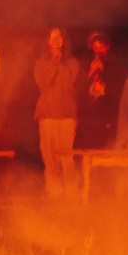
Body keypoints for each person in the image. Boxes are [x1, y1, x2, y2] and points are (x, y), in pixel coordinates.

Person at [32, 28, 82, 197]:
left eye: (59, 36)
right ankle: (54, 191)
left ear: (63, 41)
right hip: (47, 114)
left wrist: (61, 64)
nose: (55, 40)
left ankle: (71, 190)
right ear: (47, 41)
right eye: (52, 37)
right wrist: (53, 63)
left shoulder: (72, 63)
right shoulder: (41, 63)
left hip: (67, 114)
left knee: (66, 155)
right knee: (49, 156)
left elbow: (70, 85)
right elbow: (44, 85)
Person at [77, 32, 118, 151]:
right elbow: (79, 89)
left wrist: (103, 71)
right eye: (96, 47)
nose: (98, 50)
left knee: (104, 148)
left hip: (105, 116)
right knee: (87, 148)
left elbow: (116, 90)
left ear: (107, 47)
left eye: (101, 47)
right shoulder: (85, 64)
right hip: (88, 116)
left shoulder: (113, 64)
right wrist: (90, 72)